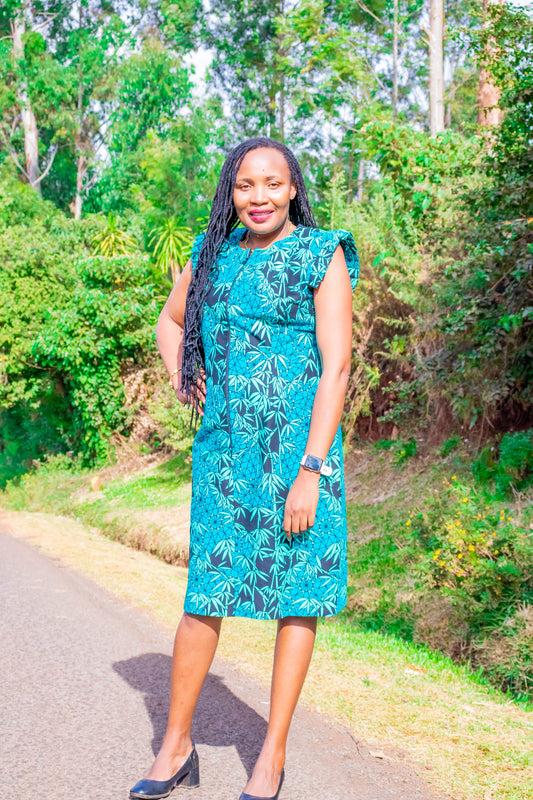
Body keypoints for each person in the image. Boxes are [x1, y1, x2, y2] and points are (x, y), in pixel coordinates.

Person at [129, 136, 359, 800]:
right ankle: (174, 747)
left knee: (296, 598)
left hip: (298, 456)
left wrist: (311, 469)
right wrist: (182, 373)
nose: (257, 197)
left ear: (292, 190)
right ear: (230, 193)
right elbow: (170, 323)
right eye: (243, 185)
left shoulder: (322, 254)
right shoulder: (211, 258)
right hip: (225, 457)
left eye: (271, 184)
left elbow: (335, 364)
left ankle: (271, 756)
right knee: (205, 595)